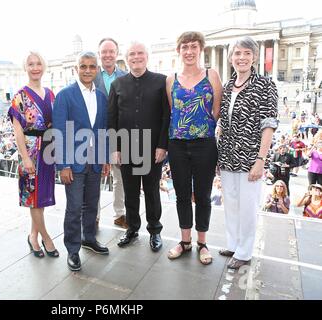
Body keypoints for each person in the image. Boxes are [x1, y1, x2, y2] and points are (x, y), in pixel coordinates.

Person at [217, 36, 279, 270]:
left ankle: (244, 251)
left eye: (246, 53)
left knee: (247, 205)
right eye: (237, 53)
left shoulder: (265, 85)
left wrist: (261, 160)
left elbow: (269, 123)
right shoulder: (227, 86)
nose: (241, 58)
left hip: (251, 157)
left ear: (254, 57)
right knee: (231, 203)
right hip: (227, 156)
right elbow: (223, 122)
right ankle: (233, 244)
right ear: (231, 57)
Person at [165, 31, 222, 265]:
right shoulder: (171, 79)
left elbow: (216, 110)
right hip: (177, 145)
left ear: (201, 49)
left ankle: (202, 243)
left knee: (203, 195)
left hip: (205, 144)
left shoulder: (212, 75)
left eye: (193, 47)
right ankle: (185, 241)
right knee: (181, 195)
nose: (189, 51)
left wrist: (202, 128)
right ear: (179, 51)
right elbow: (173, 111)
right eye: (184, 47)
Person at [107, 41, 170, 252]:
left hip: (152, 148)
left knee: (152, 191)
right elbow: (112, 119)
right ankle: (132, 229)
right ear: (126, 58)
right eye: (131, 54)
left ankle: (155, 231)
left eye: (140, 53)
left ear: (147, 56)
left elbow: (166, 117)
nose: (136, 57)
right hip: (126, 146)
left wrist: (162, 145)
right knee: (130, 192)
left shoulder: (162, 82)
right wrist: (115, 148)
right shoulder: (117, 85)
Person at [52, 51, 110, 272]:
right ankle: (73, 250)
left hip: (95, 161)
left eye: (92, 66)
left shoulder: (102, 97)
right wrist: (63, 164)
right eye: (83, 66)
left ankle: (89, 239)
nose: (87, 70)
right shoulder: (65, 95)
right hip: (73, 163)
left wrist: (104, 158)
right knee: (74, 207)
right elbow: (59, 132)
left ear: (97, 69)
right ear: (76, 69)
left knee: (92, 204)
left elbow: (103, 130)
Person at [8, 51, 59, 259]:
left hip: (48, 149)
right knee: (33, 198)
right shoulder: (19, 96)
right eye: (31, 64)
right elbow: (17, 131)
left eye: (38, 63)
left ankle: (33, 236)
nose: (35, 67)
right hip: (30, 151)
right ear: (25, 68)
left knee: (41, 198)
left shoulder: (51, 93)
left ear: (43, 67)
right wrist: (25, 158)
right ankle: (46, 237)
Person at [94, 37, 128, 229]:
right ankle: (94, 215)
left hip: (119, 135)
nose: (107, 55)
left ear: (117, 53)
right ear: (99, 55)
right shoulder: (90, 74)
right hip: (95, 135)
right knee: (94, 178)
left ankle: (119, 214)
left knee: (119, 178)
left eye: (111, 51)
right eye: (104, 52)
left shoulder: (125, 75)